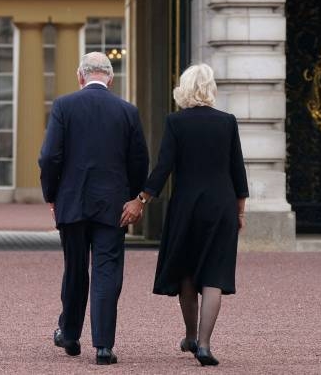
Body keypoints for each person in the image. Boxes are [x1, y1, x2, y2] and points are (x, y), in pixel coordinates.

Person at [120, 63, 249, 367]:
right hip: (221, 205)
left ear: (184, 89)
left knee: (187, 274)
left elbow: (164, 167)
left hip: (186, 206)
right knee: (214, 274)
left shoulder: (176, 122)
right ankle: (204, 345)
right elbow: (237, 170)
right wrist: (240, 210)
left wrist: (142, 198)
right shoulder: (227, 122)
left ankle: (190, 336)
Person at [39, 51, 150, 365]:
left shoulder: (64, 105)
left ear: (80, 76)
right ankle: (103, 345)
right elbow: (140, 160)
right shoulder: (127, 111)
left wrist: (52, 194)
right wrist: (133, 198)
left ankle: (71, 333)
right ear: (111, 79)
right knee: (106, 271)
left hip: (72, 201)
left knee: (75, 270)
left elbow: (49, 157)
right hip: (114, 205)